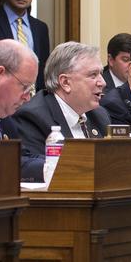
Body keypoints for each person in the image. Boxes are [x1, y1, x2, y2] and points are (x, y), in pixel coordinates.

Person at [14, 42, 111, 180]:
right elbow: (37, 172)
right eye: (93, 75)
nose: (102, 82)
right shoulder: (33, 116)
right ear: (65, 82)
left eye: (100, 74)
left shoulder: (99, 115)